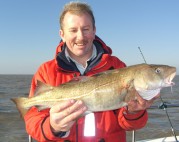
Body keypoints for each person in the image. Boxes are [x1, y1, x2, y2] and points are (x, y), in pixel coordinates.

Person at [24, 1, 159, 142]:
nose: (81, 36)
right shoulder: (46, 71)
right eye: (73, 30)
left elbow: (129, 124)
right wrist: (53, 126)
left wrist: (134, 111)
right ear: (62, 34)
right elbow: (32, 121)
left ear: (94, 30)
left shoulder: (117, 66)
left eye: (86, 29)